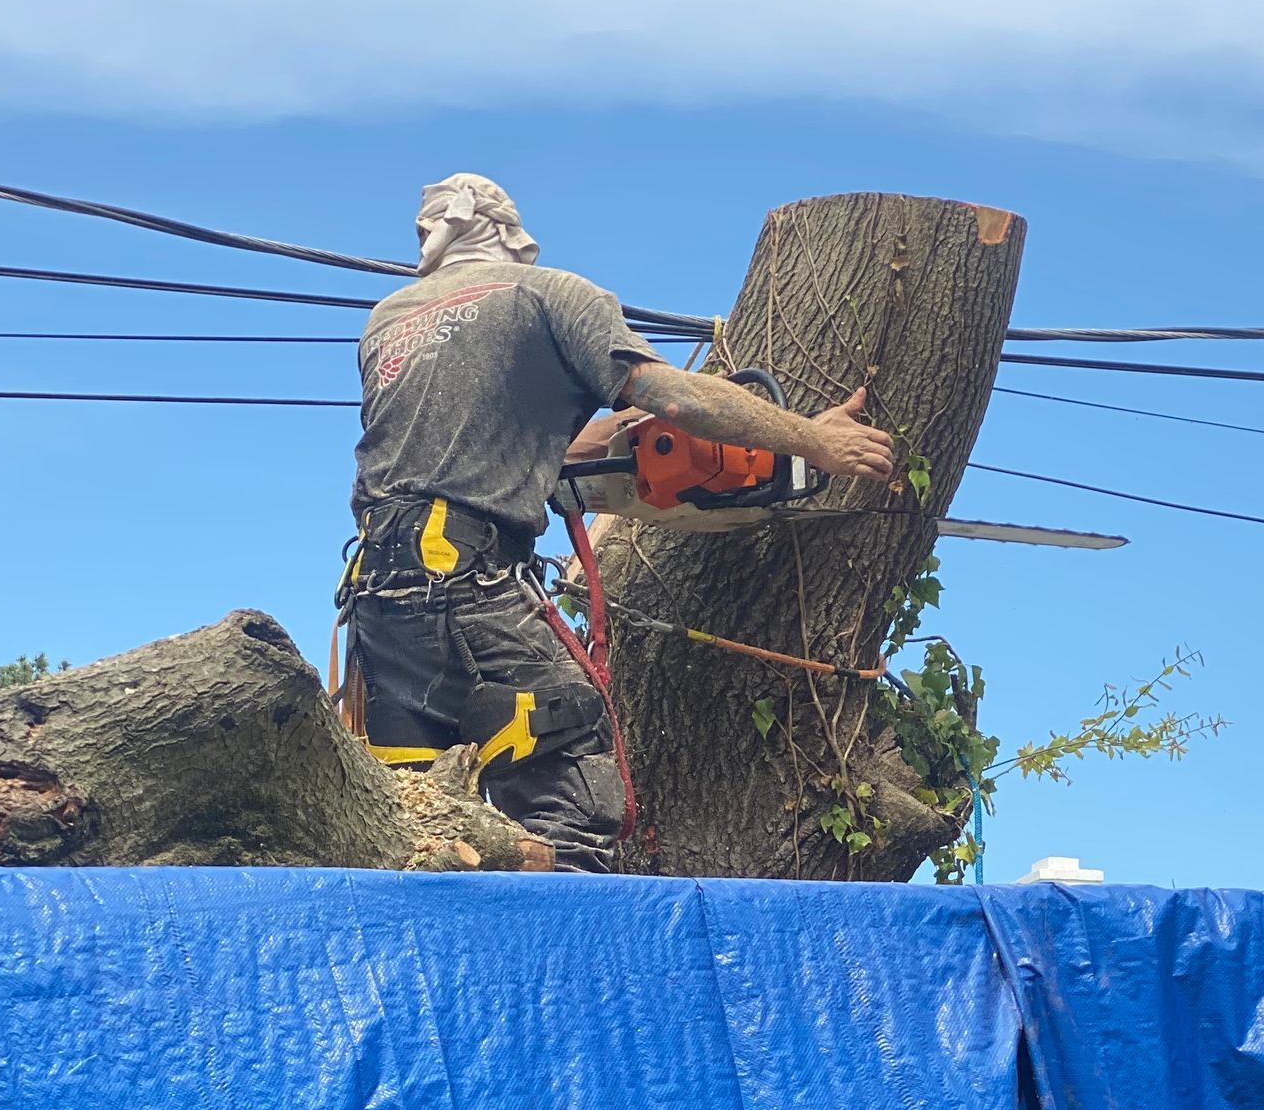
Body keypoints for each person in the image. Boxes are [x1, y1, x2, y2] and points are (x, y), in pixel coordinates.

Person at [345, 172, 895, 869]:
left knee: (416, 818)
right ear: (513, 234)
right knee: (576, 793)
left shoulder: (388, 320)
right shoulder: (549, 294)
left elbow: (472, 445)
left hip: (376, 592)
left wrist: (613, 435)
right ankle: (560, 963)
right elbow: (674, 397)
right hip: (465, 573)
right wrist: (814, 441)